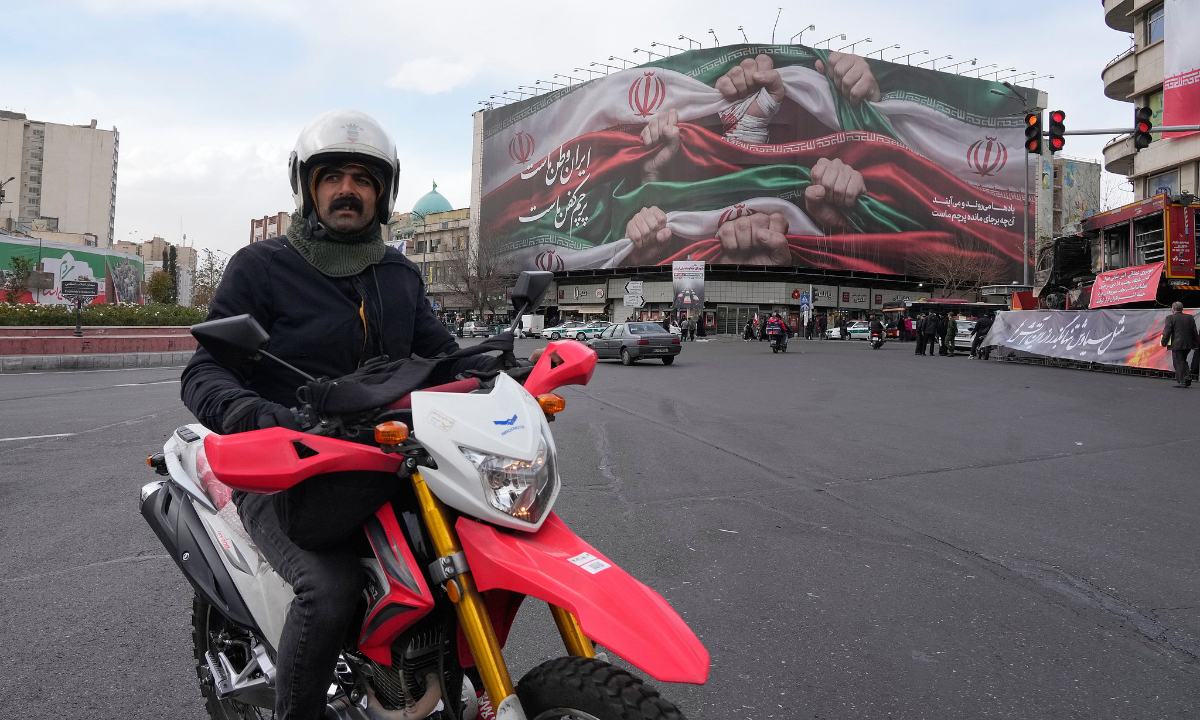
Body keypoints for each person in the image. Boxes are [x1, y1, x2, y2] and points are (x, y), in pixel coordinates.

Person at [180, 110, 505, 720]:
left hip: (390, 462)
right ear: (308, 187)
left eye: (362, 177)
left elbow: (442, 360)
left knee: (463, 560)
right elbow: (204, 371)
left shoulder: (399, 274)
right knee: (329, 591)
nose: (347, 189)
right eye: (331, 176)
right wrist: (266, 419)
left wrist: (503, 379)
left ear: (383, 194)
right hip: (287, 471)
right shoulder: (262, 267)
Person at [1161, 301, 1198, 387]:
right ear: (1182, 309)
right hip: (1188, 344)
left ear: (1173, 309)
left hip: (1176, 344)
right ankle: (1187, 377)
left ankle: (1183, 381)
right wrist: (1196, 342)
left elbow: (1167, 332)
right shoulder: (1190, 318)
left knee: (1178, 362)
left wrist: (1164, 342)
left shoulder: (1170, 318)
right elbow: (1194, 331)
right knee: (1183, 360)